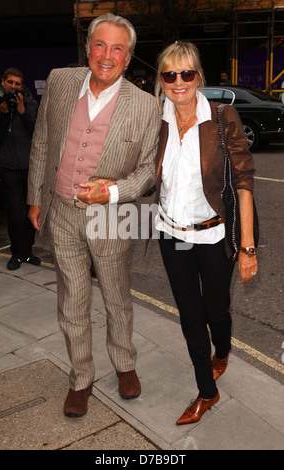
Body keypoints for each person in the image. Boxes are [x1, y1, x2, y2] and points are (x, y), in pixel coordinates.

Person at [27, 13, 161, 418]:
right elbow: (44, 139)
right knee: (72, 300)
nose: (107, 55)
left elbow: (147, 172)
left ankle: (125, 364)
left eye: (117, 48)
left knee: (118, 298)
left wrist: (113, 191)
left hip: (111, 216)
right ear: (87, 49)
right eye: (100, 45)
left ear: (129, 56)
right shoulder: (60, 81)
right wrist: (35, 195)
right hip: (63, 212)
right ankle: (81, 377)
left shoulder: (146, 106)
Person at [154, 41, 258, 424]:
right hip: (171, 234)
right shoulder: (158, 118)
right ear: (161, 78)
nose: (178, 82)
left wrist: (247, 247)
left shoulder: (221, 116)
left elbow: (244, 181)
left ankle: (223, 349)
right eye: (169, 74)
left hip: (214, 235)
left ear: (198, 75)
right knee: (190, 316)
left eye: (187, 73)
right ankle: (206, 391)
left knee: (216, 311)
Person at [0, 68, 40, 270]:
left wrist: (22, 112)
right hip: (9, 168)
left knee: (32, 211)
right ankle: (16, 253)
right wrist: (3, 115)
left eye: (18, 84)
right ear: (3, 82)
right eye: (10, 83)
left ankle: (28, 252)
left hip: (31, 167)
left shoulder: (29, 103)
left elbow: (39, 132)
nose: (14, 87)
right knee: (15, 213)